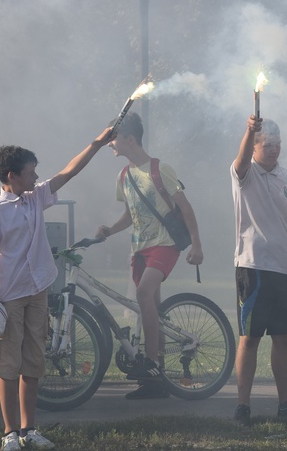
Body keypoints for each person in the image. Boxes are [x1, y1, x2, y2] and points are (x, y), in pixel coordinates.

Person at [0, 127, 114, 451]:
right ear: (13, 176)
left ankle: (29, 428)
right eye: (30, 172)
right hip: (9, 296)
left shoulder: (35, 197)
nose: (37, 175)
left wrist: (96, 142)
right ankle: (10, 433)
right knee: (9, 364)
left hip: (38, 290)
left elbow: (69, 171)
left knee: (34, 361)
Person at [96, 112, 204, 400]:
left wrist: (196, 245)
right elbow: (130, 215)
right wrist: (110, 229)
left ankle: (154, 365)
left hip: (165, 244)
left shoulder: (159, 169)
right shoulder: (124, 176)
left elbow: (185, 208)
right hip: (140, 249)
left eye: (114, 138)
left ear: (130, 139)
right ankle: (158, 384)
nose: (110, 144)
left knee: (143, 294)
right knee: (149, 310)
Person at [231, 115, 287, 425]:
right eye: (268, 145)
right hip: (253, 266)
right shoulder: (244, 173)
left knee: (284, 337)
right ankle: (242, 406)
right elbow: (239, 163)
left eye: (278, 145)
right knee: (249, 338)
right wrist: (249, 130)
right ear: (254, 146)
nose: (274, 150)